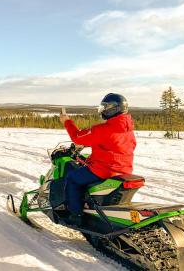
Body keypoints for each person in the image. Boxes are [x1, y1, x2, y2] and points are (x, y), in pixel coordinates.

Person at [58, 93, 137, 226]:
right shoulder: (127, 129)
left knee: (72, 178)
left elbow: (77, 137)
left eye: (105, 107)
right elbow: (119, 147)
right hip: (124, 169)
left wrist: (67, 121)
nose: (103, 110)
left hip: (105, 170)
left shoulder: (104, 129)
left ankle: (75, 215)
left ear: (114, 108)